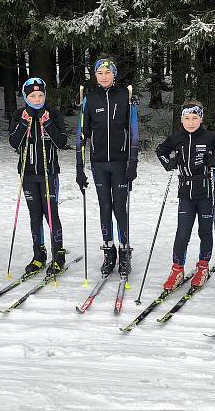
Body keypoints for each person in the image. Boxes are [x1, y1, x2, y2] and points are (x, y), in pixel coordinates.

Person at [155, 100, 215, 289]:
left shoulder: (210, 137)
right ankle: (177, 270)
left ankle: (203, 267)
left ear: (201, 118)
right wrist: (169, 162)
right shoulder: (177, 138)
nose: (191, 122)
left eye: (194, 118)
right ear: (181, 119)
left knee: (204, 231)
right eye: (186, 118)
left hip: (207, 192)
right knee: (182, 233)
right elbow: (160, 150)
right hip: (185, 192)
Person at [75, 56, 139, 277]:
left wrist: (134, 162)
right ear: (95, 75)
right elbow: (81, 135)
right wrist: (79, 167)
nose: (104, 77)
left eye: (108, 73)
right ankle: (108, 250)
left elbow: (133, 133)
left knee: (120, 208)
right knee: (104, 207)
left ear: (114, 74)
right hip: (99, 162)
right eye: (100, 73)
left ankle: (124, 250)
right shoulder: (90, 99)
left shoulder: (125, 96)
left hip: (121, 163)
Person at [8, 78, 69, 275]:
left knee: (51, 215)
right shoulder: (19, 114)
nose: (37, 99)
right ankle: (39, 255)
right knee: (35, 216)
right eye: (32, 95)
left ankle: (58, 255)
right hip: (27, 174)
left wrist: (48, 123)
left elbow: (61, 142)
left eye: (40, 95)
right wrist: (25, 122)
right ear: (26, 96)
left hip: (49, 173)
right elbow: (14, 142)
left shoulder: (53, 113)